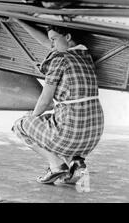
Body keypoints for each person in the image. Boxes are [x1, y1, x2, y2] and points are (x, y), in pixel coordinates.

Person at [12, 25, 104, 184]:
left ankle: (56, 166)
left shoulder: (60, 59)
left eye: (54, 40)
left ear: (67, 37)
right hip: (93, 134)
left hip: (70, 134)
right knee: (51, 120)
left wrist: (30, 120)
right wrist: (20, 22)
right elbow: (48, 41)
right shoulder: (85, 55)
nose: (51, 45)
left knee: (20, 126)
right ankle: (76, 162)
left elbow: (45, 101)